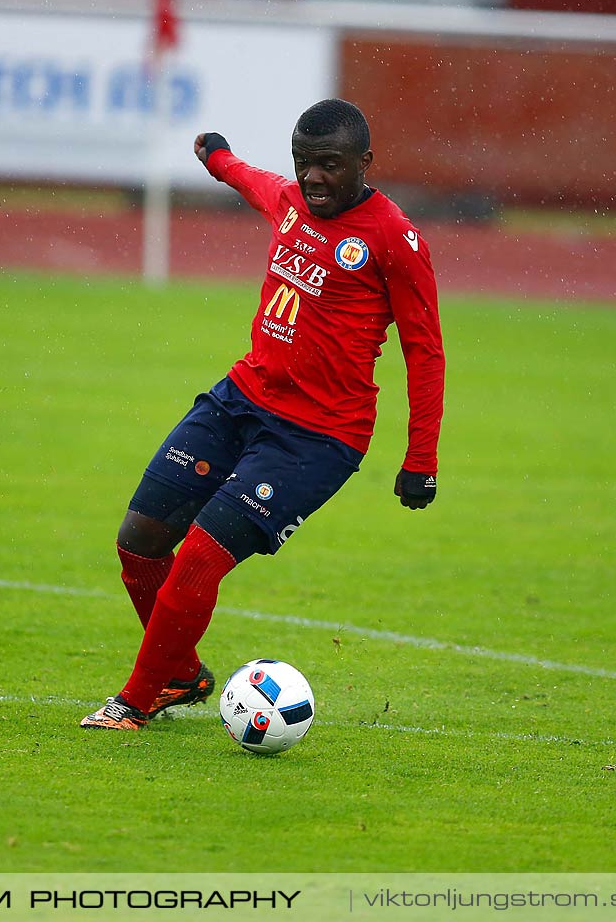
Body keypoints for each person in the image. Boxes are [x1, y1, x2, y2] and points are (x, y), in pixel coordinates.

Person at [79, 99, 445, 730]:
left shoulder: (393, 237)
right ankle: (180, 675)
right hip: (239, 400)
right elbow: (257, 183)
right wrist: (218, 158)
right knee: (139, 541)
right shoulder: (293, 200)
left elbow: (426, 351)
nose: (314, 179)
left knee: (199, 558)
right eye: (305, 164)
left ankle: (134, 703)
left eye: (329, 166)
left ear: (365, 162)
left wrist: (421, 459)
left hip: (317, 437)